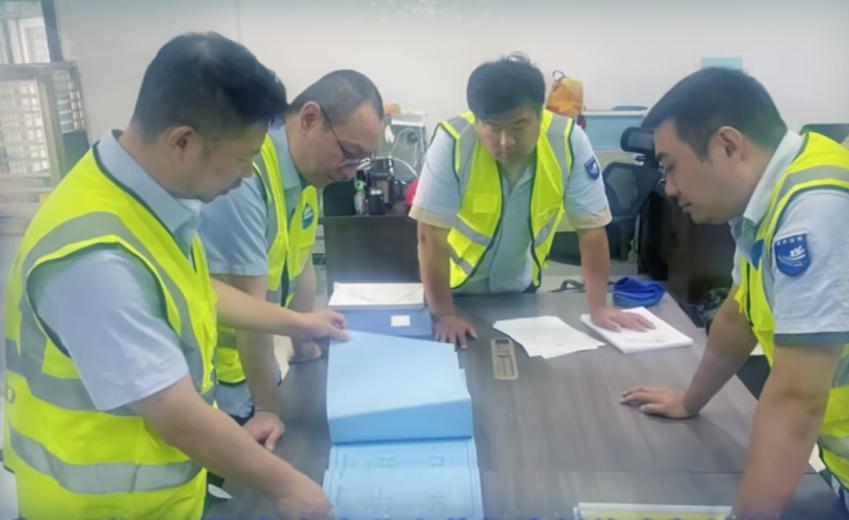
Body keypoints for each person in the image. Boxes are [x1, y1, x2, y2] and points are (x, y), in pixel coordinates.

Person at [2, 32, 346, 519]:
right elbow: (176, 413)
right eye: (244, 158)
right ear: (183, 140)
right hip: (105, 509)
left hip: (161, 496)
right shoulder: (94, 260)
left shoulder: (137, 196)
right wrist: (290, 486)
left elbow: (193, 292)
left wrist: (299, 322)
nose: (248, 175)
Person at [620, 68, 849, 519]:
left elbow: (797, 399)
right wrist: (689, 401)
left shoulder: (817, 214)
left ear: (727, 144)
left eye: (670, 165)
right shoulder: (772, 195)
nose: (670, 188)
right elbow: (739, 316)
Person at [411, 54, 650, 348]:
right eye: (493, 127)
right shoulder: (453, 142)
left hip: (519, 289)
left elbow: (591, 230)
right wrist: (445, 314)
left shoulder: (568, 141)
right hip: (455, 291)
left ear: (540, 114)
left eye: (518, 126)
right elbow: (430, 236)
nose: (506, 141)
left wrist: (599, 307)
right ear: (476, 121)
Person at [198, 70, 383, 436]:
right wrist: (267, 407)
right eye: (349, 154)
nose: (349, 173)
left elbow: (301, 263)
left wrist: (303, 340)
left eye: (360, 160)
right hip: (223, 386)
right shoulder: (245, 178)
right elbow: (250, 311)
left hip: (257, 370)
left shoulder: (308, 175)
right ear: (310, 119)